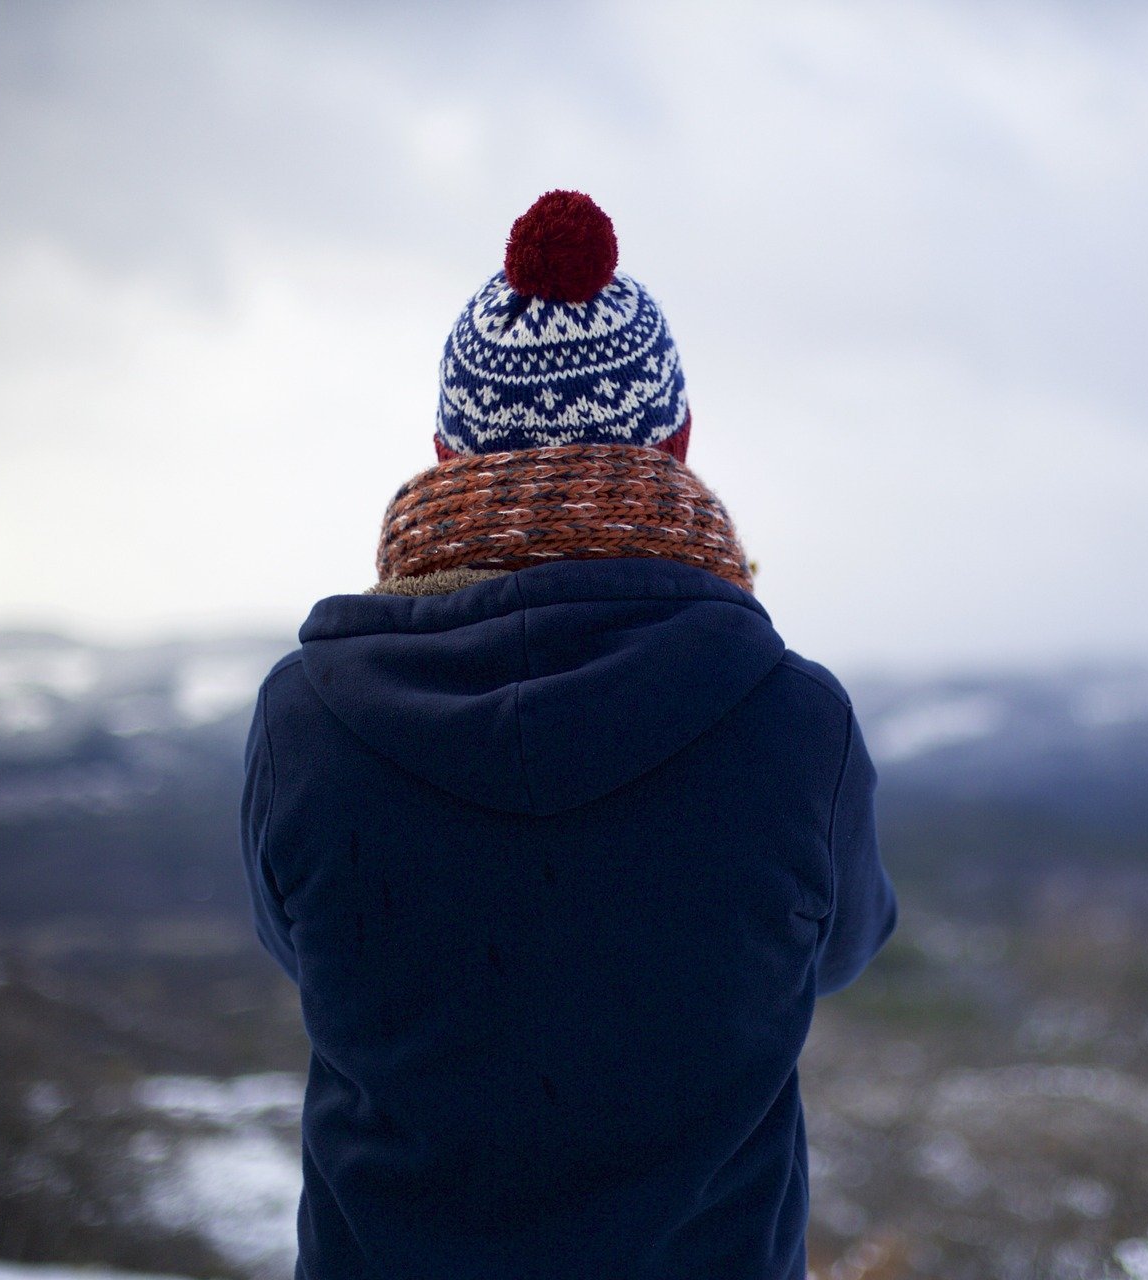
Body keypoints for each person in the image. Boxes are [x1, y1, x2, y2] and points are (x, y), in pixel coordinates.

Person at [239, 190, 898, 1280]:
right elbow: (838, 947)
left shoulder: (304, 717)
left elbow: (295, 942)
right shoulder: (795, 723)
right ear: (677, 443)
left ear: (446, 450)